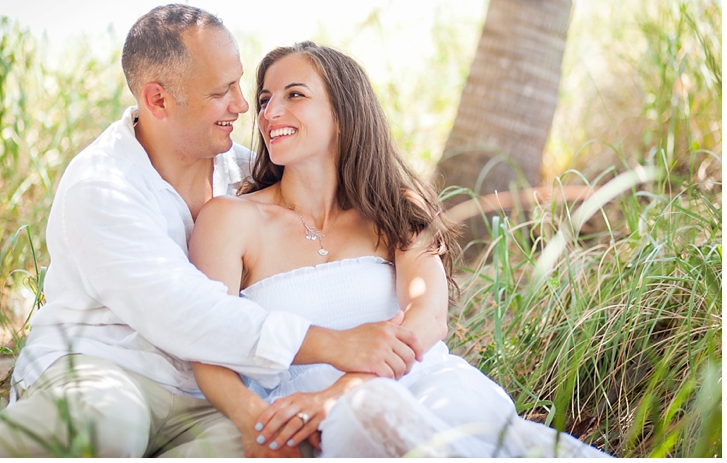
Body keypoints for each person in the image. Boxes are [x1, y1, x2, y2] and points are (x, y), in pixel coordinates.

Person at [0, 6, 424, 458]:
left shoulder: (248, 172)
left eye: (238, 85)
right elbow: (188, 313)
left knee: (289, 447)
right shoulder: (103, 186)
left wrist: (253, 413)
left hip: (213, 391)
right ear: (158, 99)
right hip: (105, 370)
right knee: (107, 424)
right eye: (220, 92)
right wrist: (333, 344)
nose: (243, 106)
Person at [188, 42, 612, 457]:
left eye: (294, 95)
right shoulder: (230, 219)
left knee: (523, 444)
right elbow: (207, 342)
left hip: (430, 386)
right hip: (322, 420)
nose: (268, 113)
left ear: (342, 114)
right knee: (368, 412)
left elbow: (428, 318)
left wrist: (343, 389)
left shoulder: (397, 207)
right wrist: (255, 421)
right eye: (265, 100)